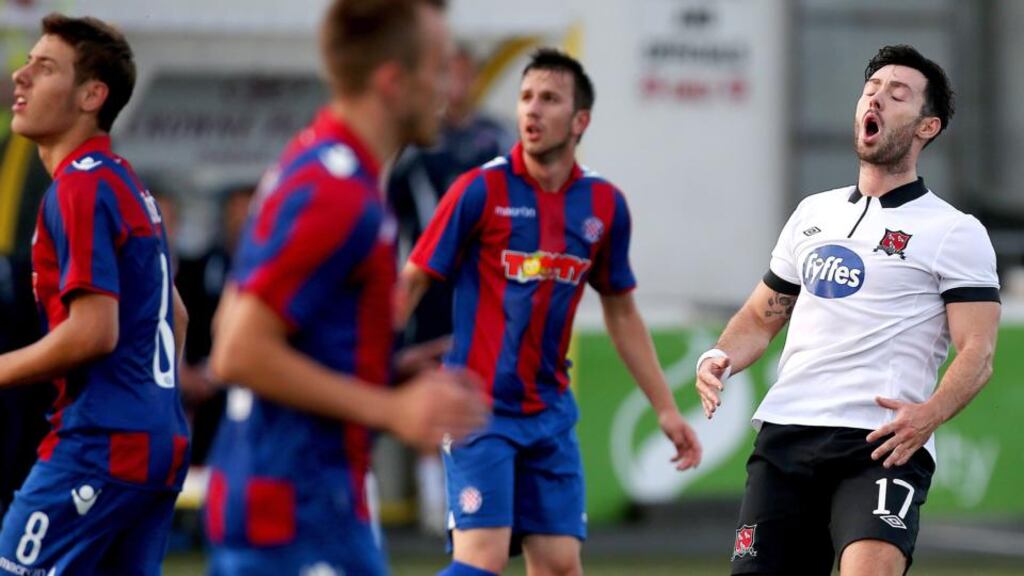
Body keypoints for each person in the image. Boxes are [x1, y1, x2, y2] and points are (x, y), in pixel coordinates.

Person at [203, 1, 488, 574]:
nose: (446, 89)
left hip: (312, 500)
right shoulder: (338, 193)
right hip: (294, 509)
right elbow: (236, 350)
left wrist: (387, 367)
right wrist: (391, 408)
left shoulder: (324, 164)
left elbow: (240, 323)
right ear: (391, 81)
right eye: (436, 68)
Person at [695, 45, 1000, 576]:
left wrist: (929, 415)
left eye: (896, 93)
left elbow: (979, 350)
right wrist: (721, 353)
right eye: (870, 89)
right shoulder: (813, 213)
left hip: (879, 444)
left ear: (927, 127)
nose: (876, 97)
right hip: (785, 435)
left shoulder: (955, 231)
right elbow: (763, 315)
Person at [399, 48, 703, 576]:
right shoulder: (479, 190)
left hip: (550, 416)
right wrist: (362, 367)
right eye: (524, 98)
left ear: (580, 120)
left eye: (548, 99)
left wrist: (665, 408)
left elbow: (622, 312)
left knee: (561, 565)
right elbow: (413, 280)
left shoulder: (604, 205)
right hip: (477, 408)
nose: (532, 111)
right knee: (483, 560)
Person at [0, 13, 191, 575]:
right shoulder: (122, 179)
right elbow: (174, 314)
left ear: (92, 95)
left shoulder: (80, 185)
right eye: (27, 63)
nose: (22, 77)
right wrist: (153, 407)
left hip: (101, 443)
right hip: (156, 441)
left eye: (45, 67)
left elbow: (93, 330)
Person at [387, 43, 513, 536]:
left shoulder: (495, 137)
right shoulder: (418, 141)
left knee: (482, 381)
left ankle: (477, 495)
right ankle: (434, 500)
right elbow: (393, 213)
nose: (454, 86)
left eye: (463, 75)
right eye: (447, 75)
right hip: (430, 285)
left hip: (483, 284)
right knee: (429, 371)